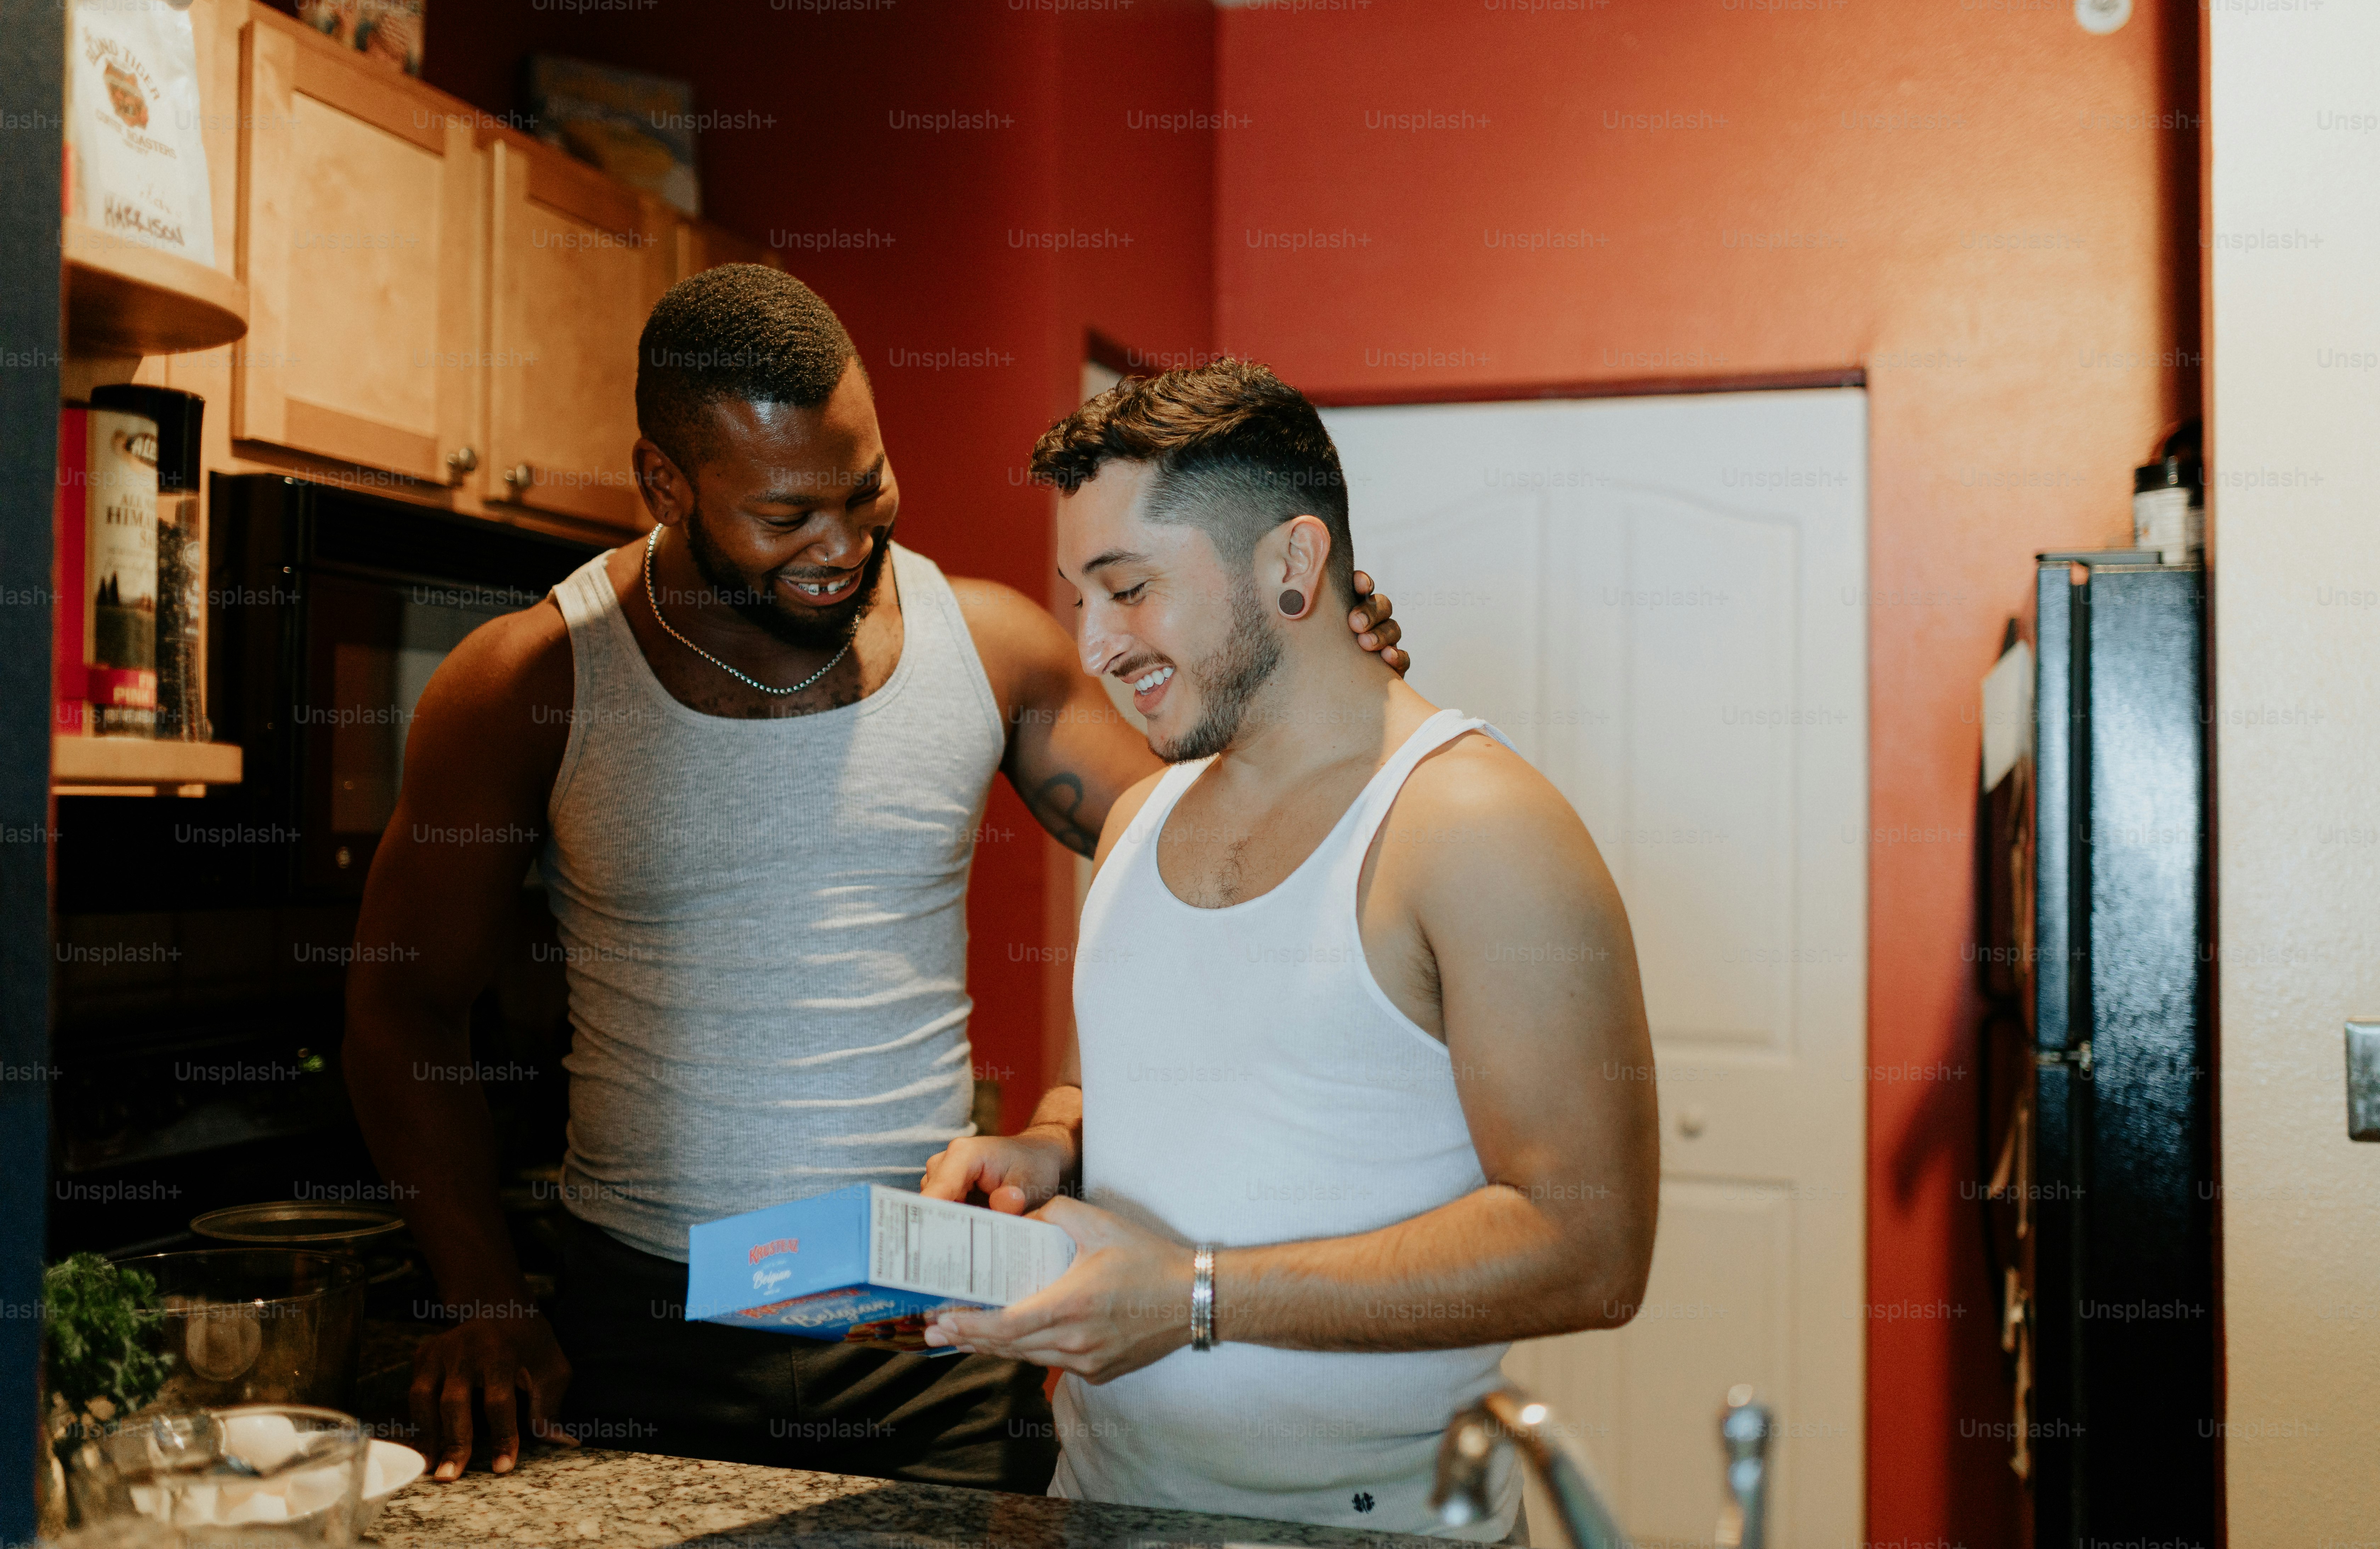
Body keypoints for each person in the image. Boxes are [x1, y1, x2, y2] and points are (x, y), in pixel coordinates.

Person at [342, 268, 1410, 1488]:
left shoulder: (991, 646)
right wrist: (479, 1293)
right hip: (643, 1336)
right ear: (665, 485)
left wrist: (1312, 673)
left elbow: (1222, 857)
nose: (842, 548)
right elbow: (402, 1006)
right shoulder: (529, 682)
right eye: (786, 515)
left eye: (867, 492)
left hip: (935, 1328)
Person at [918, 359, 1660, 1539]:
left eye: (1131, 589)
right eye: (1079, 597)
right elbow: (1099, 1089)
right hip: (1100, 1501)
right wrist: (1047, 1149)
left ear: (1293, 566)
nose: (1097, 646)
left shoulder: (1477, 831)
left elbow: (1590, 1248)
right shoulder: (1133, 822)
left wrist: (1195, 1299)